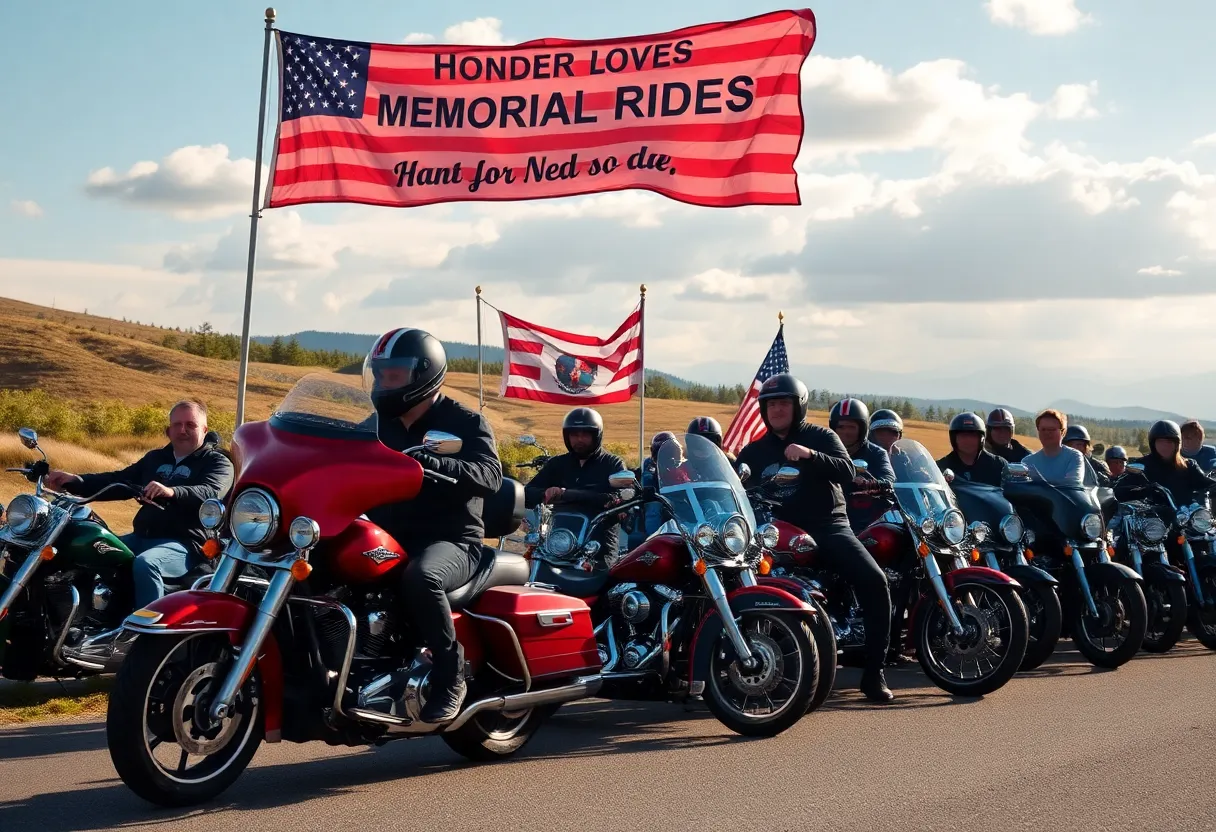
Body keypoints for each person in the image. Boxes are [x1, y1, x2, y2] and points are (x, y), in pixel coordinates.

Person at [362, 327, 504, 724]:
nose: (383, 382)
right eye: (380, 373)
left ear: (424, 374)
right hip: (389, 533)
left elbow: (491, 475)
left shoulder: (463, 421)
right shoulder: (374, 424)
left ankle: (450, 673)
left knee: (421, 577)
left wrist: (433, 464)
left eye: (394, 374)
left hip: (453, 541)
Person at [736, 374, 894, 703]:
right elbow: (736, 490)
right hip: (775, 533)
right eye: (771, 404)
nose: (777, 409)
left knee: (875, 581)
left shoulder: (820, 437)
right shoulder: (754, 451)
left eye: (784, 403)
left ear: (799, 406)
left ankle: (874, 672)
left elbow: (848, 471)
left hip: (827, 526)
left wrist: (810, 455)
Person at [46, 401, 234, 610]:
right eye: (177, 424)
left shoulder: (217, 462)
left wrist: (172, 492)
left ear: (204, 429)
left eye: (191, 424)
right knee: (91, 550)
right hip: (142, 537)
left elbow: (211, 492)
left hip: (187, 544)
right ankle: (85, 620)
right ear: (168, 430)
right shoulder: (155, 459)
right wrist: (76, 481)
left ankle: (147, 635)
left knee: (146, 564)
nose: (183, 430)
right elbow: (120, 480)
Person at [524, 407, 628, 555]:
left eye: (585, 434)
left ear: (596, 435)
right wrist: (545, 493)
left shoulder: (612, 463)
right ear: (567, 436)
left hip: (597, 544)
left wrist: (566, 494)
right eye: (574, 434)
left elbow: (617, 498)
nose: (579, 439)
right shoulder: (558, 463)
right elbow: (527, 492)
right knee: (535, 568)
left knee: (604, 576)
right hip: (559, 540)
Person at [828, 398, 896, 534]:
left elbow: (889, 478)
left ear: (862, 428)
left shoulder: (876, 453)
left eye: (851, 427)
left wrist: (871, 483)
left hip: (867, 519)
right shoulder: (826, 450)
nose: (845, 432)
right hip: (831, 517)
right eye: (841, 427)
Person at [1133, 421, 1216, 505]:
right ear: (1153, 443)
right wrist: (1144, 490)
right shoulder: (1142, 465)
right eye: (1160, 442)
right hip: (1150, 515)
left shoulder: (1188, 466)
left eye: (1169, 442)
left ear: (1177, 444)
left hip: (1183, 515)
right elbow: (1121, 490)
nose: (1165, 446)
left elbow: (1207, 484)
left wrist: (1213, 488)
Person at [1022, 409, 1098, 487]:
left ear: (1062, 432)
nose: (1047, 433)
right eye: (1043, 429)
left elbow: (1072, 485)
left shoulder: (1074, 457)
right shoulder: (1028, 462)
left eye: (1052, 429)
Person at [628, 431, 677, 547]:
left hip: (679, 501)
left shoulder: (682, 465)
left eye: (669, 450)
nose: (665, 454)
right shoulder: (649, 466)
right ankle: (654, 542)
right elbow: (644, 479)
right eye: (661, 450)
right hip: (656, 501)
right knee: (653, 508)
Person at [937, 412, 1008, 487]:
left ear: (981, 438)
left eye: (973, 436)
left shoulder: (998, 465)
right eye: (963, 436)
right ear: (954, 438)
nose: (968, 440)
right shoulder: (941, 467)